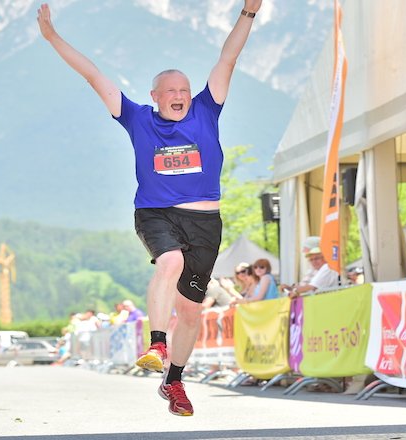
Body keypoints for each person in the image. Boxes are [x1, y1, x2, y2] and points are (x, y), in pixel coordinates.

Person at [37, 0, 261, 416]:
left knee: (191, 314)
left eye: (183, 90)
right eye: (170, 92)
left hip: (205, 222)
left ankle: (173, 381)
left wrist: (247, 13)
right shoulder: (137, 118)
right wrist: (52, 38)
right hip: (157, 213)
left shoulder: (206, 109)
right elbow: (93, 74)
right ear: (155, 97)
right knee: (169, 262)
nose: (179, 96)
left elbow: (228, 58)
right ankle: (156, 342)